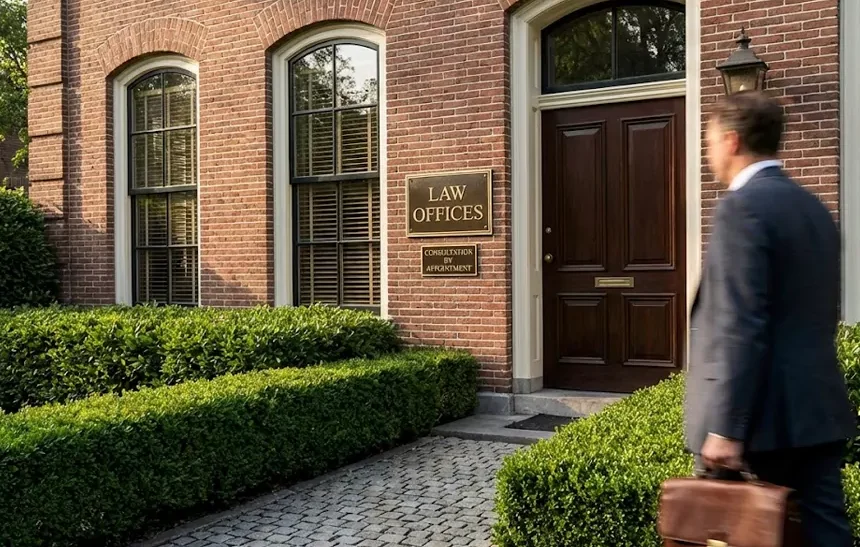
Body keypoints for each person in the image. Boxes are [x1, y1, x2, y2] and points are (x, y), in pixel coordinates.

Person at [684, 90, 856, 546]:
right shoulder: (815, 208)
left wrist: (725, 428)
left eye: (710, 140)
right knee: (825, 531)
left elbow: (743, 324)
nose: (708, 152)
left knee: (743, 534)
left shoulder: (742, 207)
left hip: (763, 423)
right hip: (816, 412)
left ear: (733, 141)